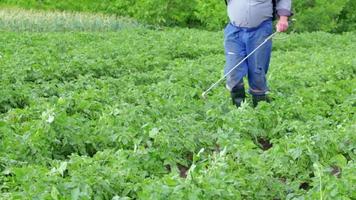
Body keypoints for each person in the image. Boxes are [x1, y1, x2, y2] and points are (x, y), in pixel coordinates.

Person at [224, 0, 292, 108]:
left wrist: (283, 18)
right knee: (233, 70)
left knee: (257, 71)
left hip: (260, 30)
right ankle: (238, 109)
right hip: (234, 30)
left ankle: (259, 108)